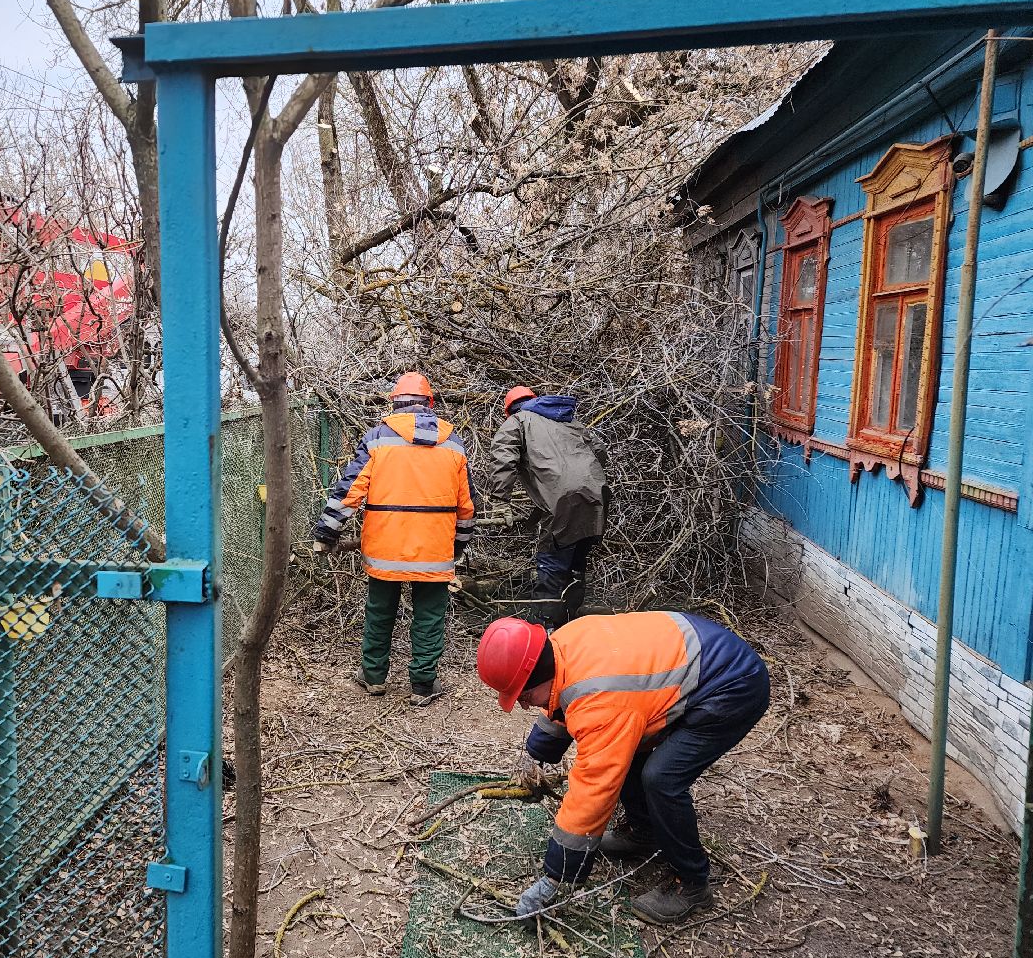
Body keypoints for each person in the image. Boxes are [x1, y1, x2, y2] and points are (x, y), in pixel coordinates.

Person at [475, 611, 769, 925]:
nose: (522, 704)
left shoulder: (601, 699)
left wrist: (556, 878)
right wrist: (535, 755)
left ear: (538, 671)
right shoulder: (558, 647)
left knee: (661, 778)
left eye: (524, 694)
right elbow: (561, 699)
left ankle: (693, 884)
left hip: (733, 684)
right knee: (630, 750)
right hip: (697, 661)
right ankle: (644, 832)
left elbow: (594, 790)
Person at [313, 372, 477, 707]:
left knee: (379, 611)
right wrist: (458, 544)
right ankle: (422, 686)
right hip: (434, 549)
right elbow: (466, 506)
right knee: (429, 617)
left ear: (395, 404)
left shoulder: (377, 439)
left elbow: (349, 490)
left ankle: (373, 678)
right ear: (430, 404)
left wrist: (327, 531)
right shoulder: (454, 445)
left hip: (385, 547)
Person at [487, 386, 609, 629]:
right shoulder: (570, 422)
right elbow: (600, 452)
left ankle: (547, 630)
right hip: (596, 497)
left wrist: (500, 501)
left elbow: (503, 459)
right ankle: (573, 626)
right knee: (575, 565)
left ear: (508, 410)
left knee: (551, 564)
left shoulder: (517, 422)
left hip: (561, 503)